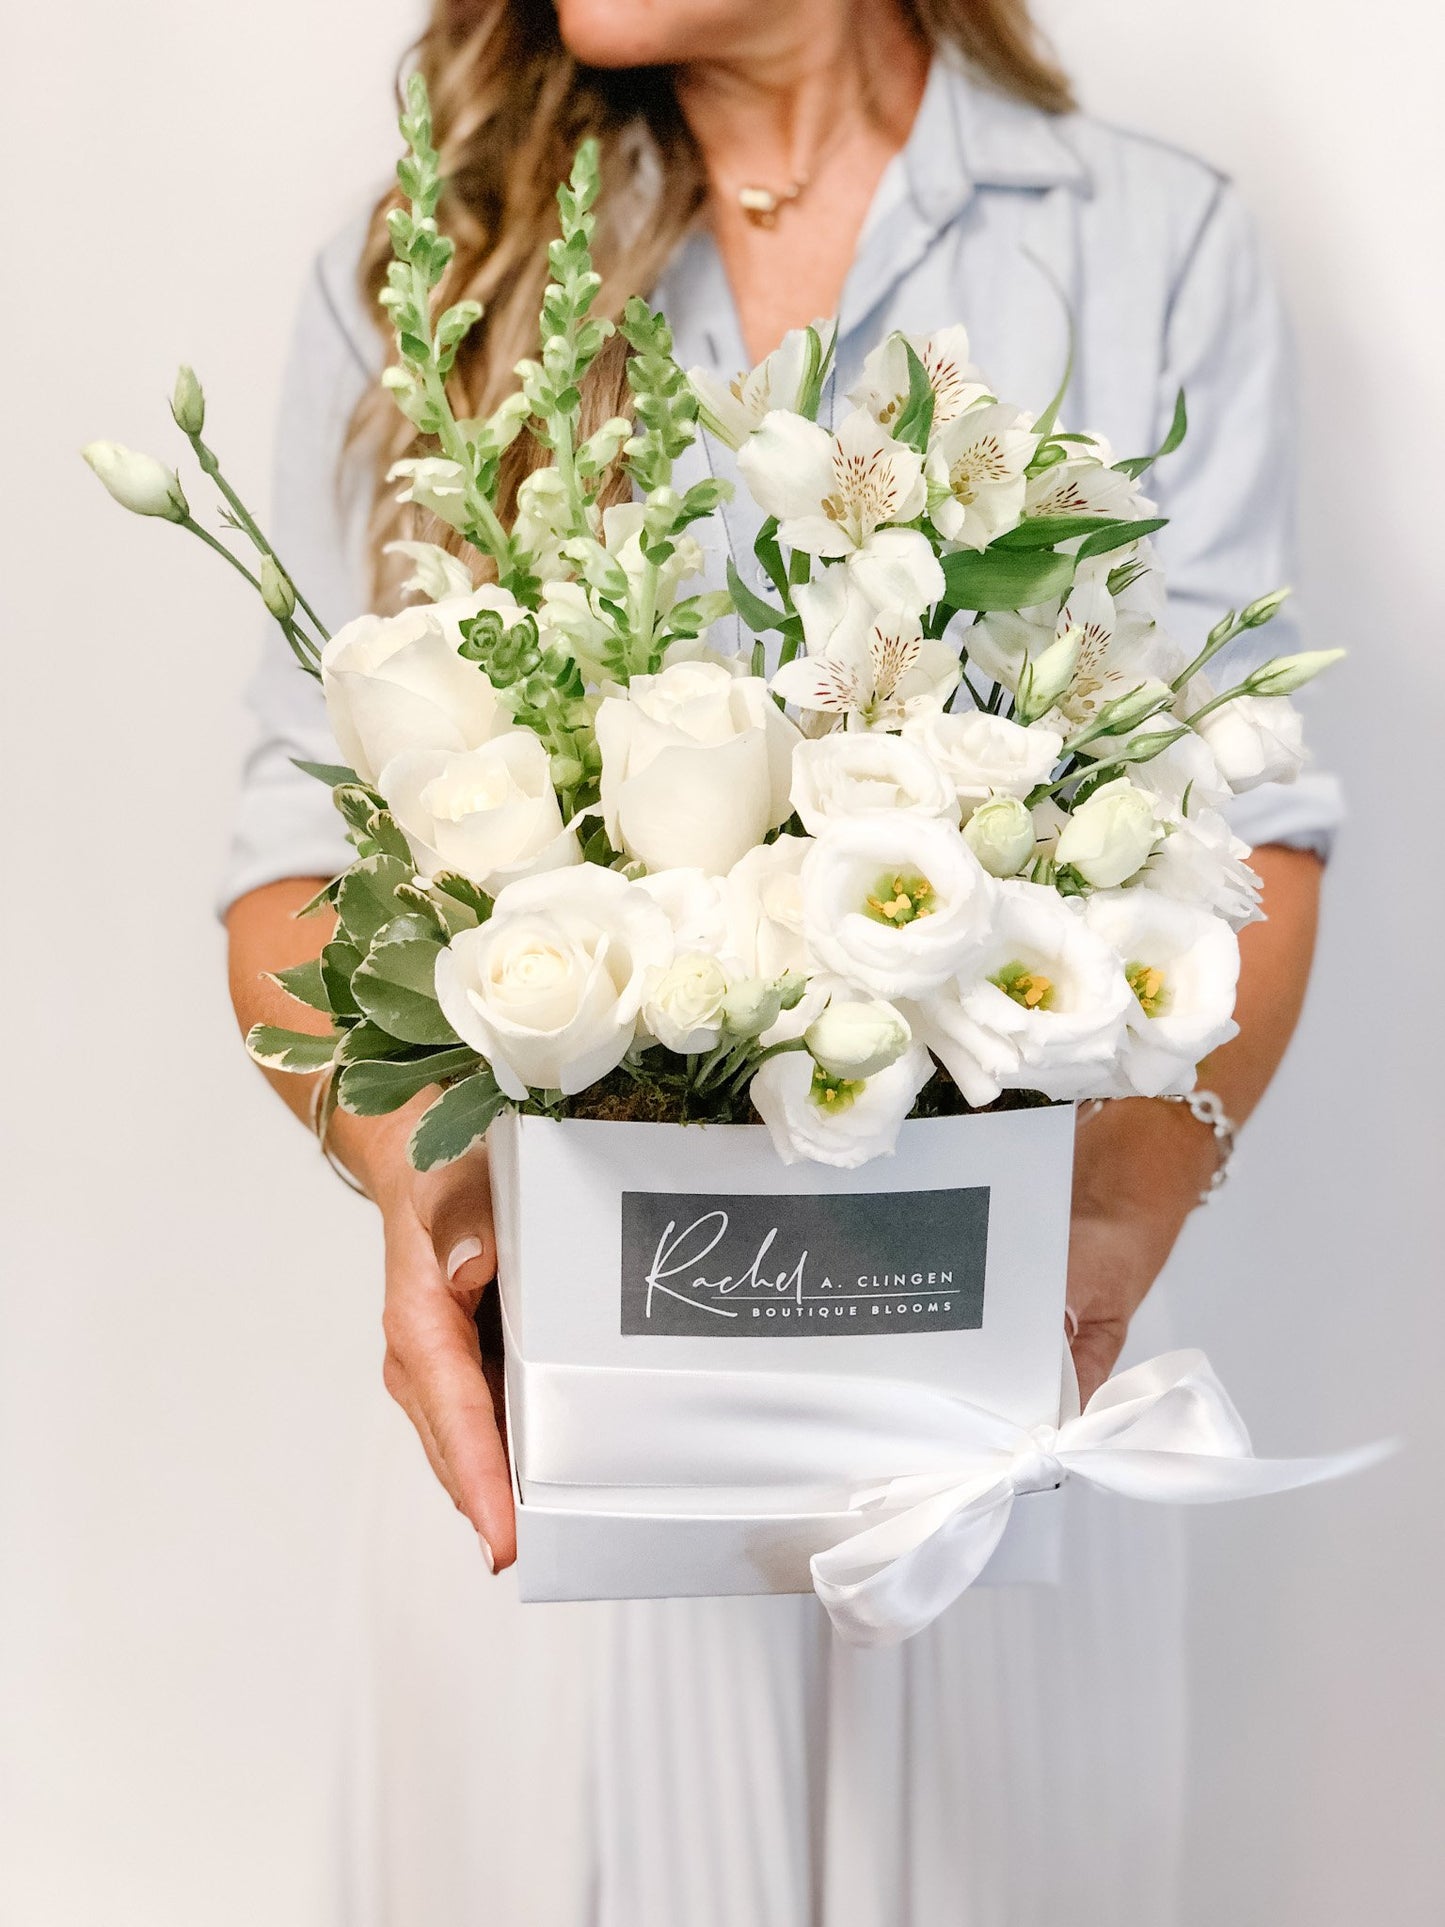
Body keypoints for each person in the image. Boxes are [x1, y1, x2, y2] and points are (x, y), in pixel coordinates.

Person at [223, 2, 1340, 1919]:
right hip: (562, 1428)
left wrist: (1097, 1250)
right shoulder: (441, 256)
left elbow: (1251, 838)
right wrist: (432, 1212)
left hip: (990, 1416)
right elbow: (293, 855)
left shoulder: (1146, 238)